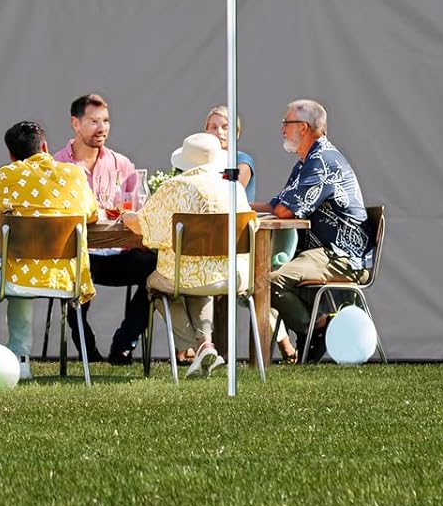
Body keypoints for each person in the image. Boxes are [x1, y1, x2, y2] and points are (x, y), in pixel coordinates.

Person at [0, 120, 98, 379]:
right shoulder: (75, 174)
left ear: (11, 155)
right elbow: (92, 215)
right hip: (66, 278)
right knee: (22, 267)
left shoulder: (11, 174)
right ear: (45, 147)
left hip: (19, 275)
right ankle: (20, 359)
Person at [128, 131, 254, 376]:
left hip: (182, 277)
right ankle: (206, 345)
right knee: (200, 280)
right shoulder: (235, 189)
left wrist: (126, 216)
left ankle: (195, 348)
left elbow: (144, 226)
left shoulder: (174, 188)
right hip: (230, 276)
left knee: (157, 285)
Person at [261, 99, 370, 362]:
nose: (282, 129)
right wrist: (239, 205)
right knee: (261, 275)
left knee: (267, 281)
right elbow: (278, 204)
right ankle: (315, 329)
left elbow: (285, 211)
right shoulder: (306, 162)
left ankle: (321, 327)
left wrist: (246, 207)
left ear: (304, 127)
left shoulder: (322, 160)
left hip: (341, 255)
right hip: (319, 252)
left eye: (286, 123)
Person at [54, 92, 153, 365]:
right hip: (80, 256)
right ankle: (88, 351)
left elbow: (138, 208)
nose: (102, 128)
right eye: (94, 121)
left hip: (119, 254)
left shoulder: (123, 164)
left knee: (159, 268)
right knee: (75, 277)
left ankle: (124, 345)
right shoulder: (57, 166)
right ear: (75, 123)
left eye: (106, 121)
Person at [204, 105, 255, 198]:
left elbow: (230, 194)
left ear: (236, 132)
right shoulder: (201, 162)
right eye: (214, 127)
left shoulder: (241, 160)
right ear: (206, 132)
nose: (219, 132)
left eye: (225, 127)